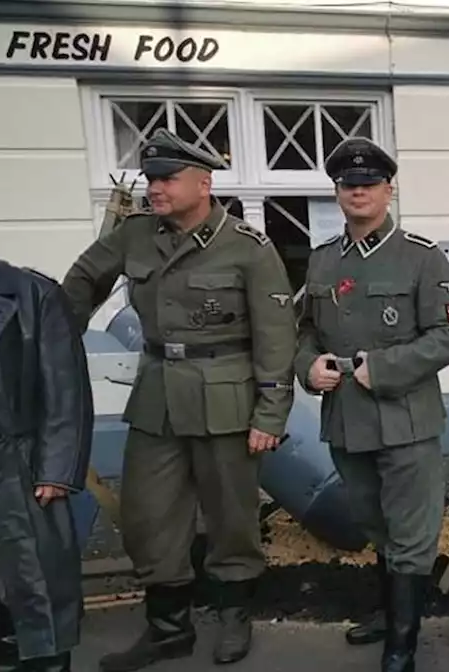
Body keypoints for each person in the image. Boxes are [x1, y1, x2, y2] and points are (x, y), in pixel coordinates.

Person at [61, 129, 298, 671]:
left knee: (232, 516)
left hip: (225, 398)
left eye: (167, 179)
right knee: (147, 515)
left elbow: (277, 338)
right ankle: (169, 628)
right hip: (158, 394)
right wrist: (53, 340)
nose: (156, 189)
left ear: (204, 182)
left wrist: (271, 413)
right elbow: (82, 281)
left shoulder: (248, 247)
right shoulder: (136, 235)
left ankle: (234, 616)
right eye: (151, 179)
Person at [294, 136, 449, 672]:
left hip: (406, 419)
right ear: (337, 192)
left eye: (369, 184)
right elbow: (302, 333)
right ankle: (391, 610)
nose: (359, 192)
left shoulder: (421, 256)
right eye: (349, 184)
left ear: (389, 190)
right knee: (375, 525)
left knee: (412, 533)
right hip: (346, 420)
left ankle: (402, 645)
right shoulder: (322, 261)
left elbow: (448, 336)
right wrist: (308, 367)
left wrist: (385, 369)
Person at [0, 195, 93, 672]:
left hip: (10, 469)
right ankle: (10, 651)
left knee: (34, 589)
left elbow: (64, 388)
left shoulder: (26, 292)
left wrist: (58, 469)